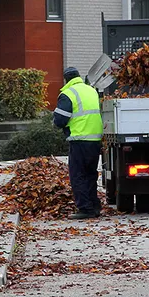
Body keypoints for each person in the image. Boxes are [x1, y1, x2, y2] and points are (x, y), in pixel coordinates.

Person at [53, 67, 103, 220]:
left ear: (66, 80)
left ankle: (85, 208)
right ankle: (94, 206)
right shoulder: (91, 90)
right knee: (90, 174)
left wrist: (56, 122)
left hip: (79, 140)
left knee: (78, 175)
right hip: (95, 140)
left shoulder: (68, 94)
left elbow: (60, 120)